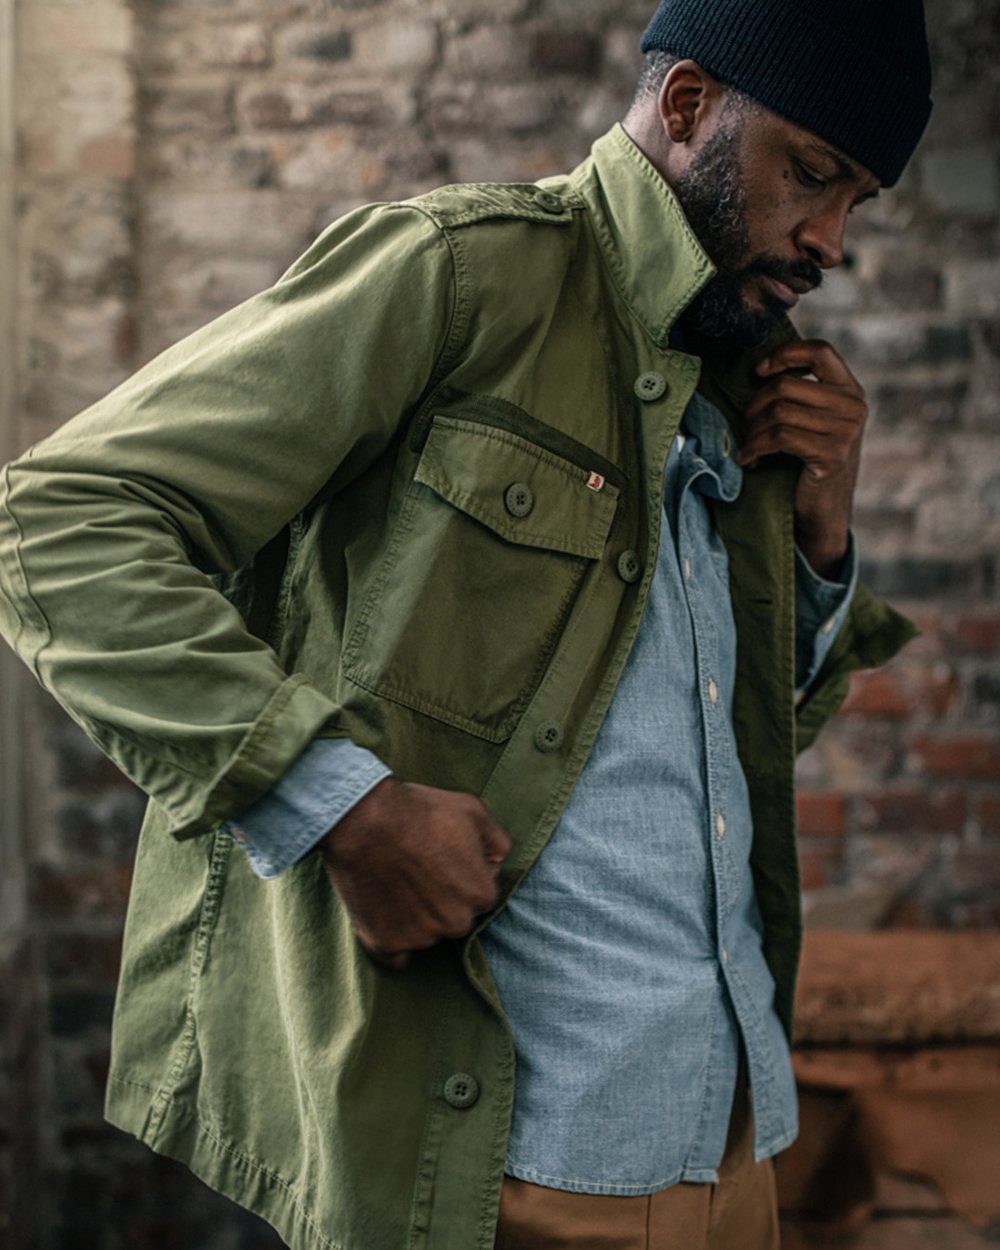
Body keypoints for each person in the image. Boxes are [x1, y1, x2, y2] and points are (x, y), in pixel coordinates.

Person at [0, 0, 933, 1246]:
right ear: (688, 106)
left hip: (732, 1139)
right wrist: (340, 805)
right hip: (509, 1160)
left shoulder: (752, 378)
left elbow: (717, 755)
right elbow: (60, 518)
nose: (830, 240)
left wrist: (823, 542)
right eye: (810, 174)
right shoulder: (461, 271)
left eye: (857, 201)